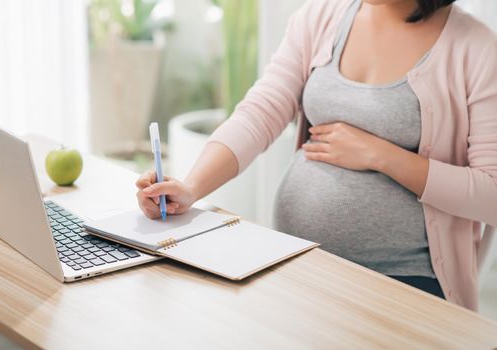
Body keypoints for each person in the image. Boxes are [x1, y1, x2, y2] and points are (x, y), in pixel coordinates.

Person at [136, 0, 497, 311]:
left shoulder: (476, 49)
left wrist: (382, 155)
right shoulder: (323, 14)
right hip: (298, 262)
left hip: (404, 282)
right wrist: (190, 187)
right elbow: (260, 112)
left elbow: (491, 194)